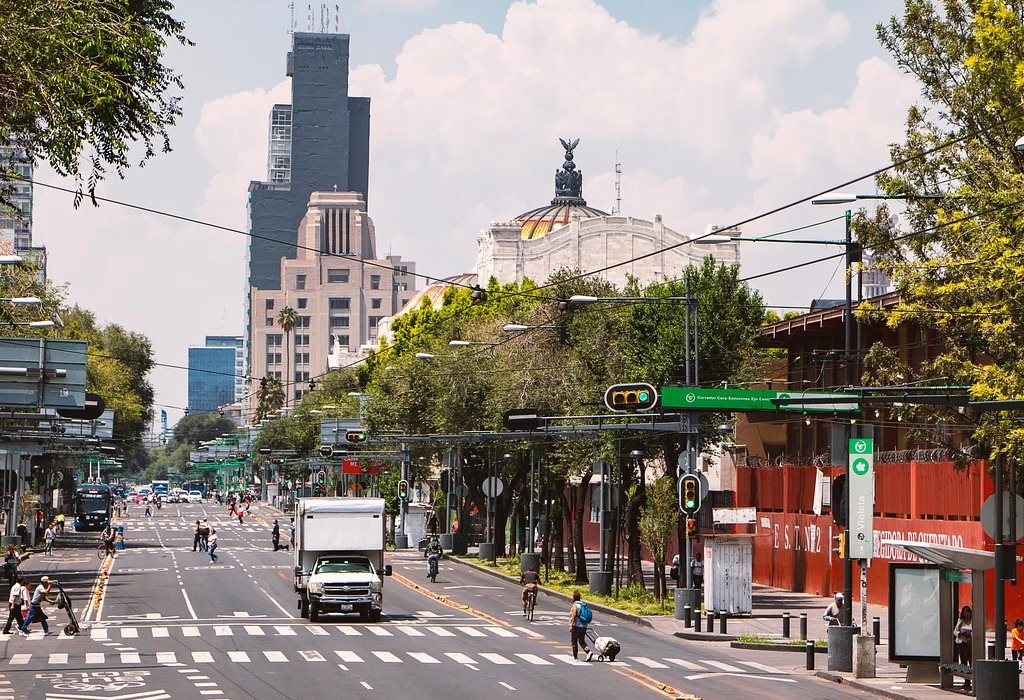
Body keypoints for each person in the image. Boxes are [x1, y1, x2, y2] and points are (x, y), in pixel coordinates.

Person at [569, 591, 593, 661]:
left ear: (573, 598)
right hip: (584, 626)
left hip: (576, 626)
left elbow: (574, 615)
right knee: (582, 641)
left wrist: (572, 625)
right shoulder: (583, 605)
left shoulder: (575, 605)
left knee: (574, 641)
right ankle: (588, 651)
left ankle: (575, 657)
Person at [954, 605, 973, 689]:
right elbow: (955, 631)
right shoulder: (960, 620)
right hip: (961, 642)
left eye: (968, 612)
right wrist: (960, 634)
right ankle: (967, 680)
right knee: (963, 661)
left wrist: (970, 634)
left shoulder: (973, 621)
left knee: (971, 661)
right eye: (965, 612)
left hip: (970, 643)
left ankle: (973, 678)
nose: (967, 614)